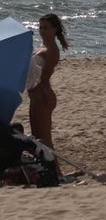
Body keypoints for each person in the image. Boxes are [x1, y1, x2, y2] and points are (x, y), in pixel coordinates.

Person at [27, 14, 68, 148]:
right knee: (36, 137)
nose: (42, 31)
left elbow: (45, 76)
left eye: (46, 28)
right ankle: (44, 162)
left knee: (44, 139)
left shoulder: (52, 50)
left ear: (54, 29)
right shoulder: (42, 46)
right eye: (40, 27)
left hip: (43, 95)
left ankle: (53, 162)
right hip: (36, 94)